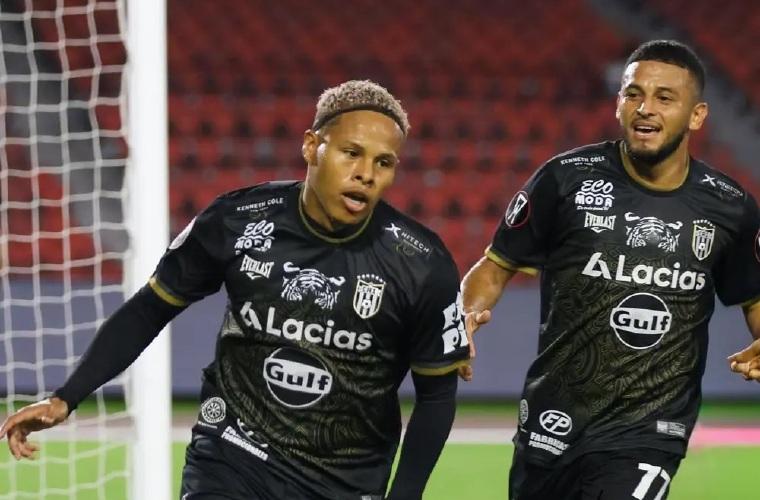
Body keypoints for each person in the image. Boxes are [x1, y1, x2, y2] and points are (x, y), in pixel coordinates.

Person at [1, 80, 471, 500]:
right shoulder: (238, 221)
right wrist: (67, 396)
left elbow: (436, 396)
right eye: (351, 153)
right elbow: (150, 309)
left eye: (383, 162)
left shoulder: (421, 264)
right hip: (232, 455)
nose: (366, 173)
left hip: (345, 481)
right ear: (311, 146)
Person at [459, 40, 760, 500]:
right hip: (550, 422)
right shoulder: (565, 179)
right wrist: (463, 315)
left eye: (664, 97)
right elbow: (495, 266)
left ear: (697, 115)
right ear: (618, 103)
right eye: (633, 94)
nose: (645, 108)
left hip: (650, 430)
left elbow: (754, 297)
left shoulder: (731, 208)